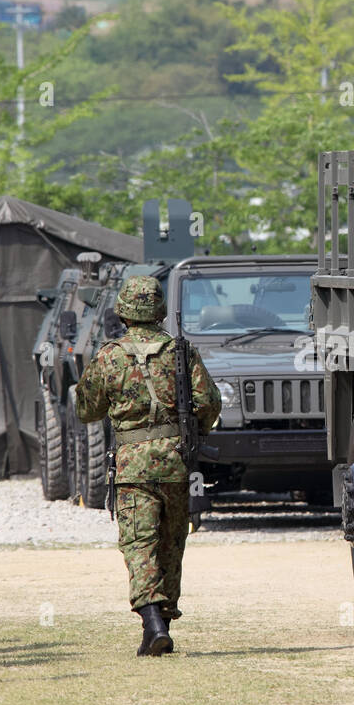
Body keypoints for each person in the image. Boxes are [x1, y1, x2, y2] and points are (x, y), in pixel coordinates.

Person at [75, 275, 220, 657]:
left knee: (140, 544)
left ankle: (152, 622)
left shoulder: (110, 355)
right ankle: (162, 623)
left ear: (123, 312)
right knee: (171, 542)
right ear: (157, 312)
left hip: (132, 467)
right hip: (175, 461)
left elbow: (85, 409)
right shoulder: (181, 352)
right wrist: (191, 430)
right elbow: (208, 404)